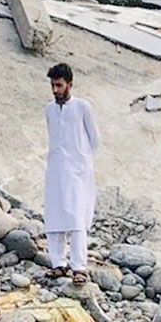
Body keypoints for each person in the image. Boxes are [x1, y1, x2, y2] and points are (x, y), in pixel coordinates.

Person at [44, 62, 100, 285]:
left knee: (76, 218)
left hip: (78, 171)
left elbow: (95, 139)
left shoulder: (82, 107)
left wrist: (82, 162)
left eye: (59, 85)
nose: (55, 90)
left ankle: (79, 267)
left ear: (70, 84)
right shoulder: (49, 109)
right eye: (53, 85)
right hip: (55, 169)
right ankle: (58, 263)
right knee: (54, 216)